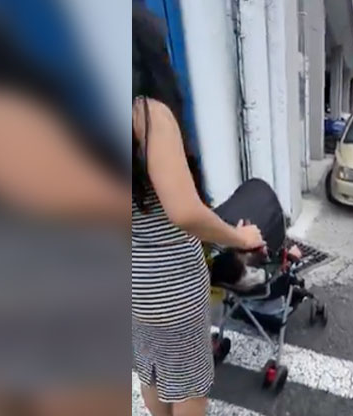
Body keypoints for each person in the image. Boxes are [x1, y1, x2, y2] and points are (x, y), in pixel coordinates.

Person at [132, 7, 265, 416]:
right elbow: (185, 213)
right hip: (173, 286)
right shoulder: (147, 114)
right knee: (189, 387)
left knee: (152, 372)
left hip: (131, 285)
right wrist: (240, 237)